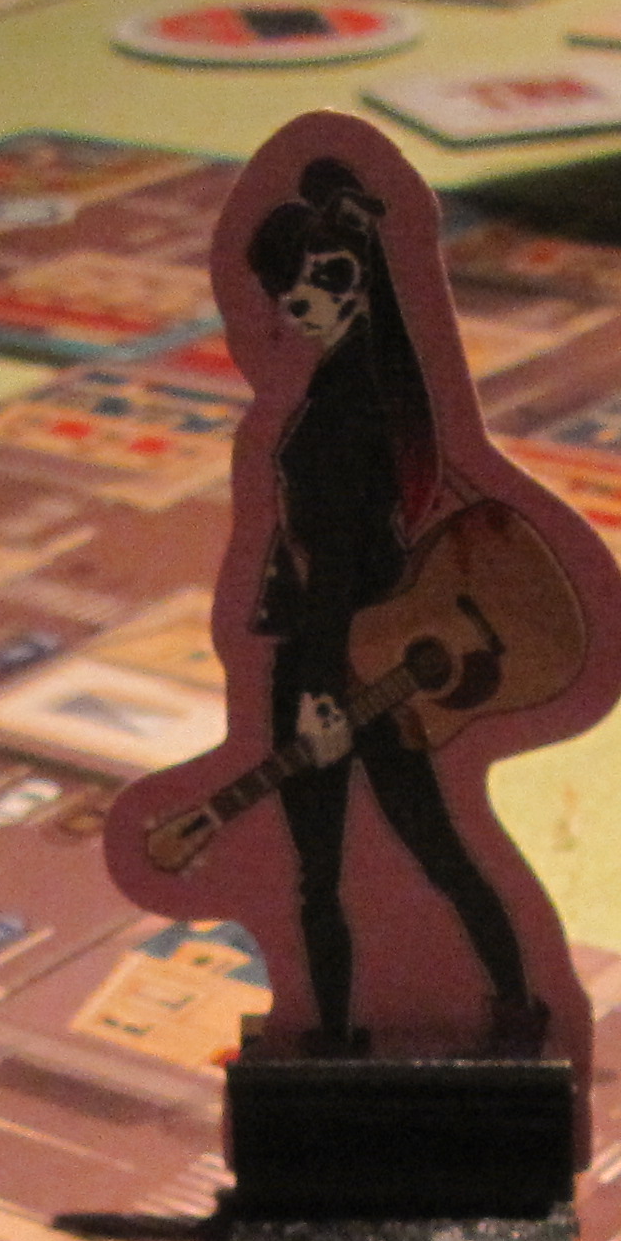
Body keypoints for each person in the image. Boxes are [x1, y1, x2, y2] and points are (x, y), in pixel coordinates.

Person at [243, 157, 540, 1053]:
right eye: (287, 287)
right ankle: (496, 1012)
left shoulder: (351, 404)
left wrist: (320, 688)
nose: (295, 303)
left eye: (317, 282)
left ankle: (369, 1035)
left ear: (355, 284)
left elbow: (338, 557)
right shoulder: (351, 391)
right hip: (357, 647)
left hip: (349, 653)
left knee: (355, 865)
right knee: (401, 850)